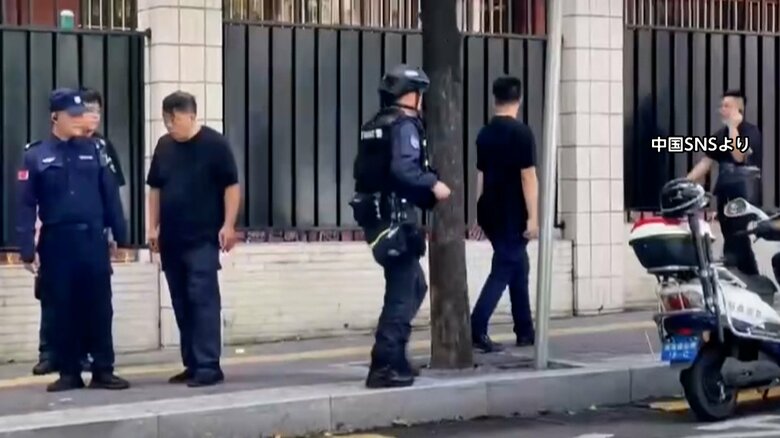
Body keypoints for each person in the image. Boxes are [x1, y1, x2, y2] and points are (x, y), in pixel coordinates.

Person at [16, 88, 129, 392]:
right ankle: (69, 372)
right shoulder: (36, 155)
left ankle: (103, 369)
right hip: (57, 241)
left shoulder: (95, 150)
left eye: (83, 114)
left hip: (92, 239)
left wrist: (121, 236)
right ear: (56, 117)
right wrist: (26, 248)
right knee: (62, 307)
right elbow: (25, 204)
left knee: (99, 305)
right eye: (74, 115)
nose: (81, 120)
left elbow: (110, 195)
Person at [350, 64, 451, 389]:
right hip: (393, 218)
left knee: (414, 285)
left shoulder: (376, 124)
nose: (422, 100)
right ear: (411, 95)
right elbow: (404, 170)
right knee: (404, 290)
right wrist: (433, 184)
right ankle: (384, 365)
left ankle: (396, 358)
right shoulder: (404, 126)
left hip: (378, 218)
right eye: (420, 93)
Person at [146, 91, 240, 387]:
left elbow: (231, 186)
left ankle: (209, 365)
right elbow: (155, 188)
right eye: (166, 120)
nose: (169, 126)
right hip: (172, 238)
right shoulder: (164, 147)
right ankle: (192, 363)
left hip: (203, 237)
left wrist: (228, 225)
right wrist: (152, 227)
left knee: (203, 299)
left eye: (174, 119)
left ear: (191, 115)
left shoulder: (215, 145)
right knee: (181, 301)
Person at [471, 76, 538, 353]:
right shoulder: (522, 133)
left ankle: (525, 331)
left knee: (518, 266)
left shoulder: (484, 134)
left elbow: (481, 175)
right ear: (519, 100)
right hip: (513, 214)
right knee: (503, 269)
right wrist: (533, 217)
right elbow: (528, 177)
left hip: (490, 211)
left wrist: (478, 214)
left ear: (494, 100)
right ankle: (475, 328)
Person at [687, 89, 762, 276]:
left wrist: (733, 128)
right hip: (725, 198)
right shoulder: (720, 135)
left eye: (727, 106)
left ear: (739, 108)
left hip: (744, 199)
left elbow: (738, 156)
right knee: (731, 241)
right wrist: (684, 183)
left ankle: (751, 279)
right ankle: (748, 279)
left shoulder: (750, 132)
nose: (722, 110)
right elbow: (706, 162)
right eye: (721, 106)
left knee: (738, 243)